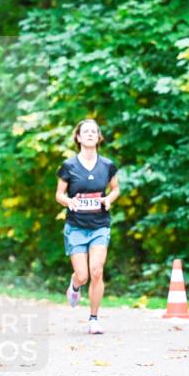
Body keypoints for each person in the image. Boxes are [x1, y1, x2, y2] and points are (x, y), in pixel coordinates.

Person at [55, 118, 120, 334]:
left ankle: (93, 319)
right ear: (78, 137)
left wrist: (109, 199)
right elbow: (59, 194)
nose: (90, 134)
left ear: (99, 137)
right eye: (86, 131)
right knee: (82, 275)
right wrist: (68, 201)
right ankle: (75, 285)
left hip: (100, 225)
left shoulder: (108, 165)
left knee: (97, 271)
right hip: (76, 226)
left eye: (94, 131)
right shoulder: (69, 166)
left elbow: (115, 189)